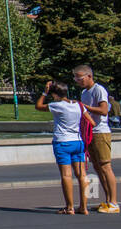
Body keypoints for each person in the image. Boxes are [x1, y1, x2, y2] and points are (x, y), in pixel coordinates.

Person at [36, 80, 89, 214]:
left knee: (66, 175)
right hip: (78, 142)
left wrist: (44, 92)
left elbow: (38, 106)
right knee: (82, 175)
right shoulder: (79, 105)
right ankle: (84, 206)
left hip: (63, 142)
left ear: (54, 94)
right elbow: (91, 121)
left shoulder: (56, 105)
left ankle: (69, 207)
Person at [74, 65, 118, 213]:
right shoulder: (84, 92)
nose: (77, 80)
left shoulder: (98, 90)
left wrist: (84, 107)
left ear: (89, 76)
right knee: (98, 168)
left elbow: (104, 111)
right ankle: (107, 200)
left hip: (100, 132)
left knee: (106, 166)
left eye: (79, 78)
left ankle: (114, 202)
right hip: (90, 133)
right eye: (75, 78)